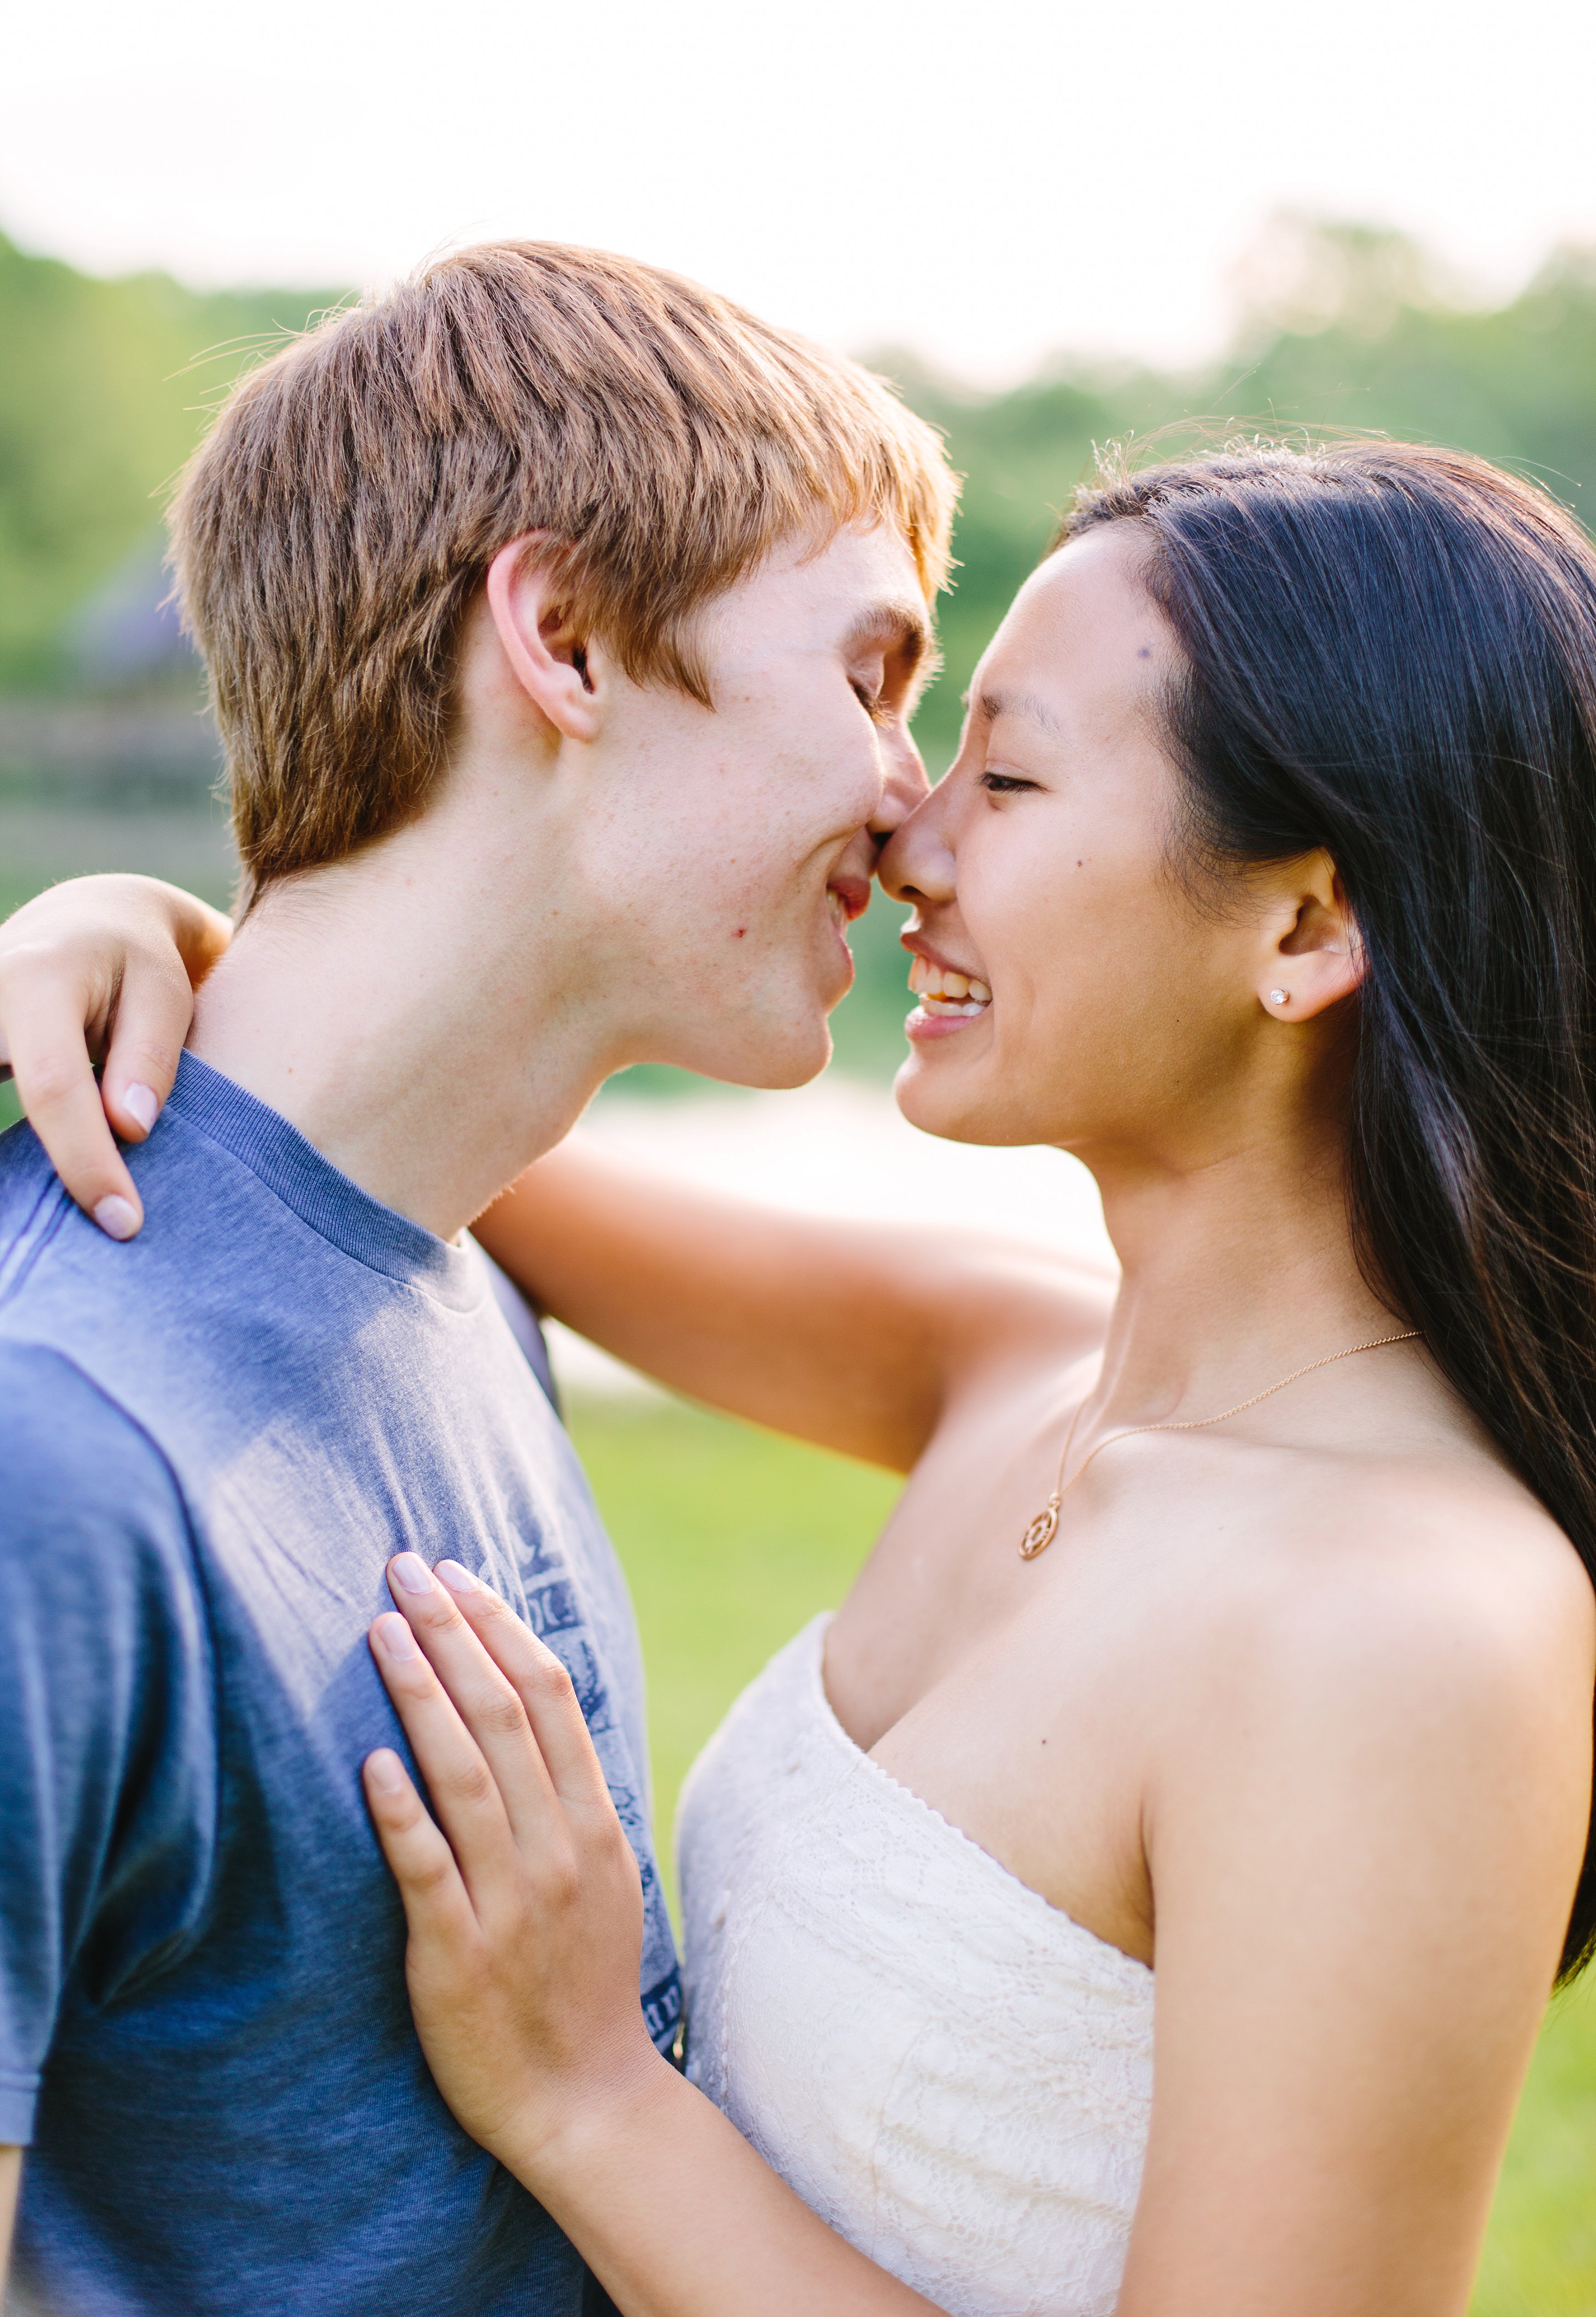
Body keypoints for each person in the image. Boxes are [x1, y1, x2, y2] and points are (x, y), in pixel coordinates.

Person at [13, 436, 1596, 2317]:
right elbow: (423, 1121)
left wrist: (592, 2095)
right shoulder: (1013, 1363)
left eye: (1005, 777)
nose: (907, 838)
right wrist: (145, 935)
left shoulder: (1406, 1624)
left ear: (1305, 923)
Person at [0, 239, 957, 2315]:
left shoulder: (448, 1260)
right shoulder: (48, 1447)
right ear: (568, 637)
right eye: (869, 672)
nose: (911, 792)